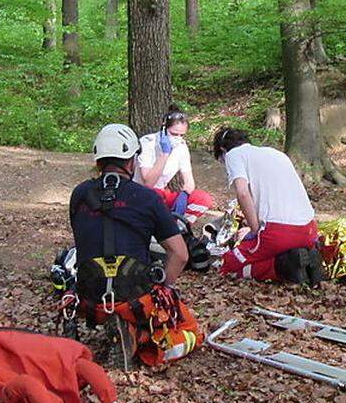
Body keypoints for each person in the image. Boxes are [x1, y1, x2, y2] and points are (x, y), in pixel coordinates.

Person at [69, 123, 188, 289]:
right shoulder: (147, 197)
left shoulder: (79, 194)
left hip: (89, 296)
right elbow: (180, 254)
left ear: (98, 162)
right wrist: (162, 289)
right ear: (131, 162)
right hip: (135, 298)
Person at [211, 128, 322, 285]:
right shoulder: (276, 154)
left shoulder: (233, 155)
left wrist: (255, 230)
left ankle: (283, 267)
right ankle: (302, 260)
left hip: (280, 233)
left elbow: (242, 193)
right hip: (309, 230)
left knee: (229, 264)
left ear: (223, 150)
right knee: (265, 251)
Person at [134, 107, 215, 221]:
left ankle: (180, 226)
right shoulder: (148, 143)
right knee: (155, 195)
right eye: (174, 134)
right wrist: (165, 154)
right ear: (164, 129)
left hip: (161, 195)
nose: (178, 138)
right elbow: (148, 183)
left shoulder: (181, 146)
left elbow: (189, 181)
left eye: (182, 135)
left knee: (203, 198)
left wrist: (184, 195)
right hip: (141, 195)